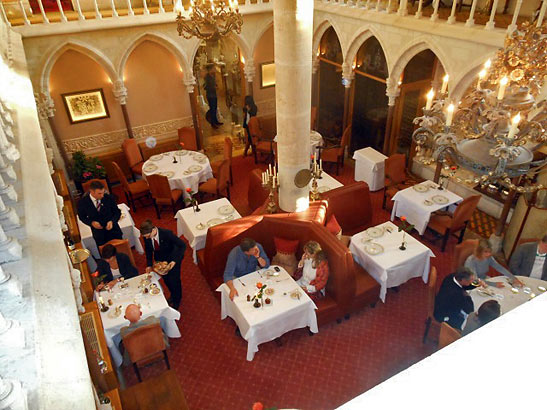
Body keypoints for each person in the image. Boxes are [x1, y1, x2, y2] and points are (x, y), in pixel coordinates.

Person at [140, 220, 186, 310]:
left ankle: (177, 300)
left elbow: (182, 245)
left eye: (148, 236)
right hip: (160, 262)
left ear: (153, 230)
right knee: (166, 280)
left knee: (174, 281)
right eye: (145, 237)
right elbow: (148, 251)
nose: (147, 238)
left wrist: (174, 260)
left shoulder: (167, 234)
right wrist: (149, 265)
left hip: (172, 260)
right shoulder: (147, 237)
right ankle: (173, 295)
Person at [77, 180, 123, 247]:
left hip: (114, 231)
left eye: (103, 193)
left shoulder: (108, 198)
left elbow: (117, 212)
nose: (102, 196)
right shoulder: (83, 202)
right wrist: (91, 223)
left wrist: (112, 221)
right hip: (99, 235)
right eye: (99, 193)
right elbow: (82, 217)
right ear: (92, 192)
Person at [204, 63, 223, 129]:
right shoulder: (207, 77)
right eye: (213, 68)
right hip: (210, 95)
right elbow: (207, 87)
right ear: (210, 69)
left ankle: (216, 121)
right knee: (212, 109)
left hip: (213, 94)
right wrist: (214, 88)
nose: (215, 69)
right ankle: (213, 123)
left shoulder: (212, 76)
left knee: (214, 108)